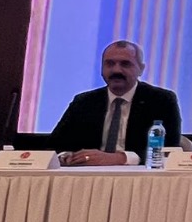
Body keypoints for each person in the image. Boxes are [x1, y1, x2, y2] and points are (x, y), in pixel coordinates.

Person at [48, 40, 182, 166]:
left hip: (138, 176)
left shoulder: (161, 100)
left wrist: (120, 158)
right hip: (88, 174)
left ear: (141, 69)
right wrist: (65, 155)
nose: (116, 70)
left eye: (125, 64)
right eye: (110, 64)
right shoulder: (84, 102)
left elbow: (169, 149)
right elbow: (54, 145)